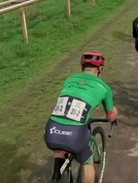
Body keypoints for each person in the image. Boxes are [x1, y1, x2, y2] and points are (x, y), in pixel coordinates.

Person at [44, 51, 118, 183]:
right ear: (100, 68)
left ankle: (56, 174)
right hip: (75, 134)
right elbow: (111, 116)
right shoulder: (105, 88)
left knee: (59, 147)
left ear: (82, 66)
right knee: (87, 162)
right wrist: (115, 113)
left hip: (51, 130)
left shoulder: (69, 80)